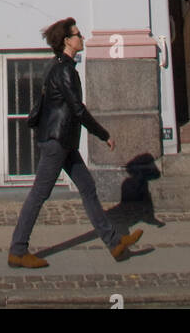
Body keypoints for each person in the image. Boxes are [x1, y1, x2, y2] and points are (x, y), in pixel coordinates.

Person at [8, 17, 143, 268]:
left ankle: (114, 243)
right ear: (67, 41)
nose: (82, 38)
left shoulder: (57, 66)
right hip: (57, 141)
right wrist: (104, 135)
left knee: (88, 188)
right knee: (39, 194)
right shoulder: (65, 70)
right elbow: (77, 110)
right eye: (78, 35)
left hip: (63, 140)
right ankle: (17, 250)